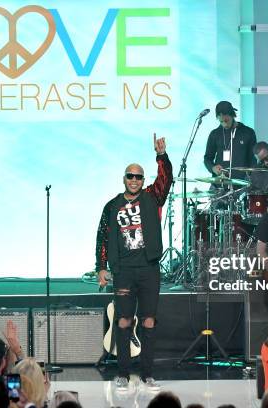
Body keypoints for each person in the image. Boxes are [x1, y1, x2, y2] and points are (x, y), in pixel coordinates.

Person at [96, 133, 172, 392]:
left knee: (149, 321)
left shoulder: (152, 198)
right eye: (130, 175)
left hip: (149, 269)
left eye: (139, 176)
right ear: (124, 178)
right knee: (124, 321)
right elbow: (102, 237)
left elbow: (165, 181)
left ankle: (148, 374)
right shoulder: (112, 206)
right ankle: (123, 374)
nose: (135, 180)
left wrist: (161, 157)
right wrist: (102, 267)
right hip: (124, 271)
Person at [203, 100, 257, 181]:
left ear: (233, 116)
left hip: (241, 183)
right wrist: (213, 168)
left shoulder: (248, 132)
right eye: (221, 121)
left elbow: (252, 160)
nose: (224, 124)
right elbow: (207, 158)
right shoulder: (214, 134)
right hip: (219, 183)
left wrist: (251, 177)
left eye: (226, 120)